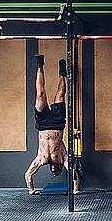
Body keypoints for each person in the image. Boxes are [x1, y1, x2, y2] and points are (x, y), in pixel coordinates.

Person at [24, 54, 80, 195]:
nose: (55, 170)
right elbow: (74, 174)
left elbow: (28, 174)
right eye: (58, 170)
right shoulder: (63, 157)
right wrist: (76, 189)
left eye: (53, 171)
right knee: (60, 94)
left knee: (40, 94)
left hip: (42, 124)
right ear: (61, 167)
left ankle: (40, 65)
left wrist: (31, 190)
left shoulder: (41, 159)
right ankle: (62, 74)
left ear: (50, 168)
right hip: (57, 122)